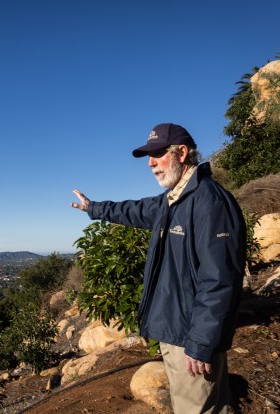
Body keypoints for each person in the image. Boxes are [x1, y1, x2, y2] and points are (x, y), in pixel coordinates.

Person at [71, 123, 246, 414]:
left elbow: (219, 279)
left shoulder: (209, 202)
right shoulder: (173, 200)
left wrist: (202, 342)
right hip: (178, 331)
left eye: (158, 154)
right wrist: (94, 208)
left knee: (199, 409)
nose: (151, 163)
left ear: (182, 153)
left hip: (191, 336)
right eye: (149, 157)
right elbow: (133, 210)